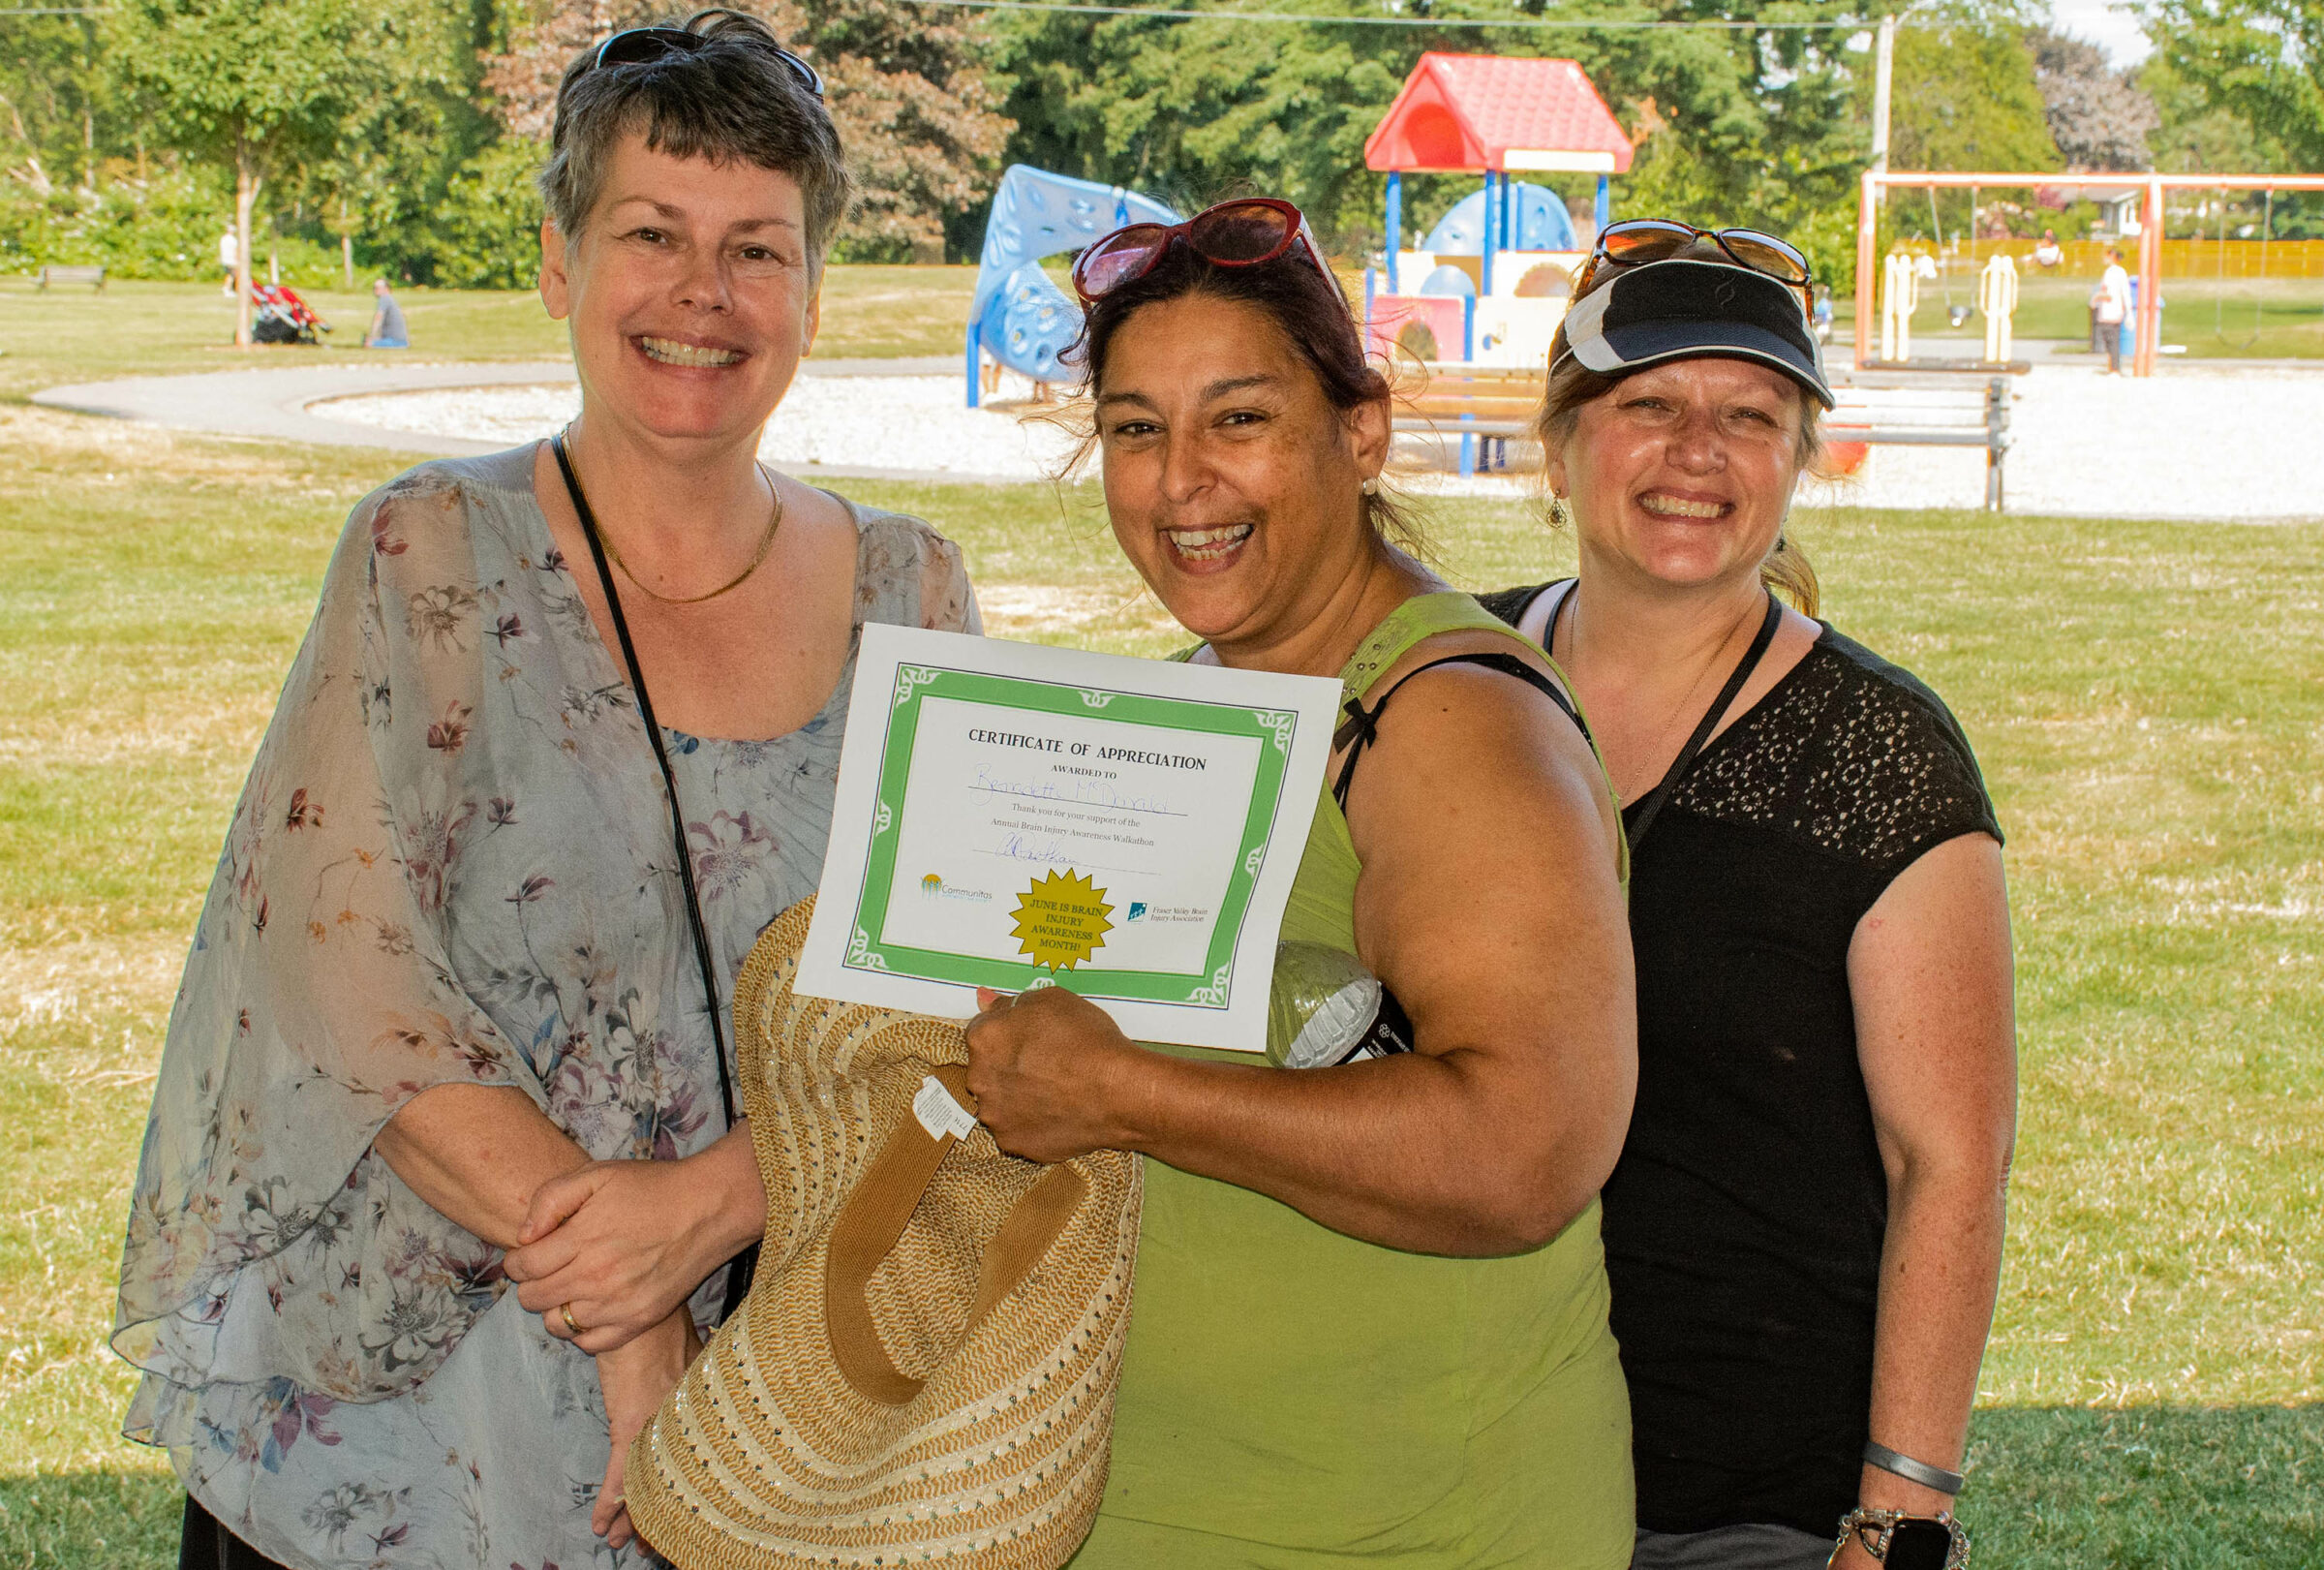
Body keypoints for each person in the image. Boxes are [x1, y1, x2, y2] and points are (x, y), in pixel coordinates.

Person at [112, 13, 978, 1569]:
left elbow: (946, 1002)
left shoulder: (913, 591)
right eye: (652, 234)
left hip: (783, 1407)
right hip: (410, 1431)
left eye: (757, 251)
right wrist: (623, 1301)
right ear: (557, 264)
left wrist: (709, 1213)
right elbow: (343, 981)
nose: (704, 296)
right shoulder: (424, 552)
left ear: (813, 292)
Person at [963, 199, 1639, 1566]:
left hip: (1402, 1526)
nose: (1179, 482)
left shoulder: (1449, 722)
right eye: (1137, 428)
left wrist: (1121, 1094)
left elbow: (1528, 1148)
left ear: (1362, 430)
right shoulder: (1174, 715)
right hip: (1139, 1508)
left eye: (1240, 420)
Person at [1477, 230, 2016, 1570]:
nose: (1696, 452)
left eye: (1750, 416)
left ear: (1800, 461)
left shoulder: (1878, 755)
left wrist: (1898, 1520)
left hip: (1737, 1500)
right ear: (1558, 448)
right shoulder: (1447, 688)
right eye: (1648, 405)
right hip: (1445, 1456)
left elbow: (1947, 1162)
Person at [2094, 246, 2131, 373]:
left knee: (2110, 340)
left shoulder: (2111, 272)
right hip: (2116, 310)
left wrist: (2095, 298)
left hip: (2109, 310)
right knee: (2113, 339)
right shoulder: (2121, 272)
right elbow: (2125, 292)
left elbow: (2107, 293)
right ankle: (2113, 366)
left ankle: (2114, 367)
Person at [363, 277, 410, 348]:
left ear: (386, 289)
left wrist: (371, 336)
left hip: (396, 341)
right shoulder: (390, 299)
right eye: (374, 288)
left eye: (378, 288)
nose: (375, 290)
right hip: (401, 340)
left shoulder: (384, 298)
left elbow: (378, 317)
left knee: (367, 344)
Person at [217, 224, 238, 295]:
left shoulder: (224, 238)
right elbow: (235, 250)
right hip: (231, 259)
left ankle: (227, 287)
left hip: (225, 259)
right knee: (231, 275)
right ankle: (228, 289)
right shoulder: (233, 240)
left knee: (229, 274)